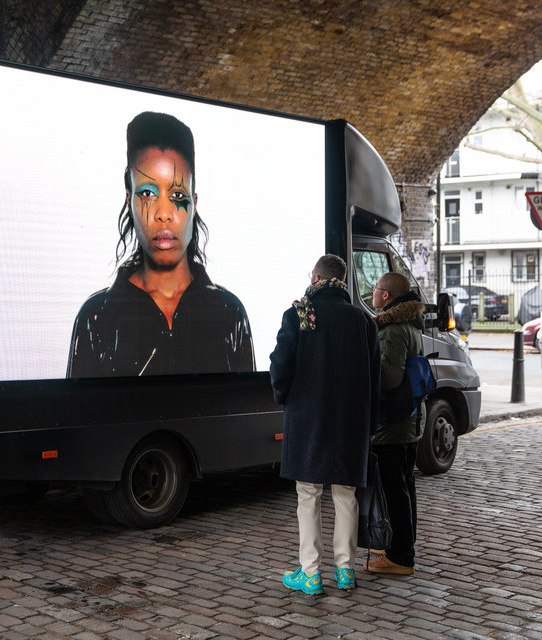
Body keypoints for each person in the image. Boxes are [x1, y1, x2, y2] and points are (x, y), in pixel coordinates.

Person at [67, 111, 255, 378]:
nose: (163, 213)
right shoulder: (97, 317)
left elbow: (246, 416)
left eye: (177, 195)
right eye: (147, 193)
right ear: (129, 201)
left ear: (194, 203)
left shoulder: (228, 313)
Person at [269, 254, 381, 594]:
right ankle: (345, 570)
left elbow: (280, 364)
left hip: (308, 416)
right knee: (346, 493)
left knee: (309, 494)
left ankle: (311, 573)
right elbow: (375, 378)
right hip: (351, 419)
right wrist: (371, 421)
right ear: (342, 281)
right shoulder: (363, 321)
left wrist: (284, 396)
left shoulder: (300, 314)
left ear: (316, 278)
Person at [365, 271, 425, 576]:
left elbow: (387, 379)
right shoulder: (412, 326)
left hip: (394, 422)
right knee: (405, 487)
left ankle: (400, 557)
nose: (373, 293)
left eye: (375, 289)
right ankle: (403, 549)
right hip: (411, 421)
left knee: (394, 490)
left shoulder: (391, 330)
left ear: (386, 296)